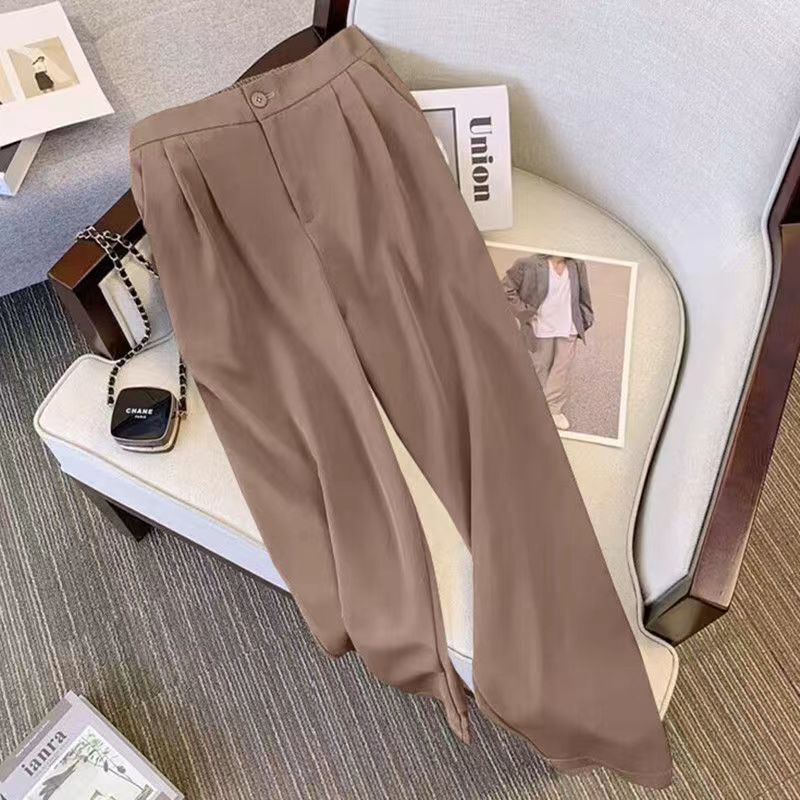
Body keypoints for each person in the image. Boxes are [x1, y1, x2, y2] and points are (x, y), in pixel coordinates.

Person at [502, 252, 594, 430]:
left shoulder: (577, 264)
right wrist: (523, 312)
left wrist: (585, 318)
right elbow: (506, 288)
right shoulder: (527, 263)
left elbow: (584, 294)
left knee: (561, 369)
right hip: (540, 326)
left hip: (568, 326)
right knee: (540, 367)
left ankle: (553, 409)